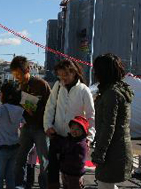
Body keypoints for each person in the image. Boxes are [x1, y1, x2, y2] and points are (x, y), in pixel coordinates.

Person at [43, 59, 95, 189]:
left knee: (72, 176)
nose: (62, 78)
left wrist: (89, 137)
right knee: (53, 172)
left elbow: (91, 115)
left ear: (73, 72)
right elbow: (50, 106)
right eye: (60, 75)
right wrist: (47, 125)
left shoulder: (84, 90)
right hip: (57, 135)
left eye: (65, 75)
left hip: (75, 140)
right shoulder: (58, 85)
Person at [91, 53, 133, 189]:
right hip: (118, 148)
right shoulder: (119, 89)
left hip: (112, 150)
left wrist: (99, 153)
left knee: (104, 184)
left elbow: (108, 126)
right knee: (106, 184)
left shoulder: (111, 93)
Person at [10, 56, 51, 189]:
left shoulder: (41, 84)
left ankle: (45, 186)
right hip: (26, 127)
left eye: (19, 74)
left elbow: (51, 106)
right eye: (15, 75)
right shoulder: (19, 87)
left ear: (27, 69)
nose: (17, 77)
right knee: (19, 157)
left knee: (44, 160)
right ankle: (19, 184)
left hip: (41, 128)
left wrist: (45, 122)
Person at [51, 116, 89, 189]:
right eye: (72, 128)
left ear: (83, 131)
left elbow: (80, 161)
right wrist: (55, 137)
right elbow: (61, 141)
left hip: (75, 175)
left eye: (78, 129)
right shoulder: (70, 139)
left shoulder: (81, 144)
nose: (74, 131)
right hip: (65, 171)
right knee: (65, 186)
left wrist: (63, 158)